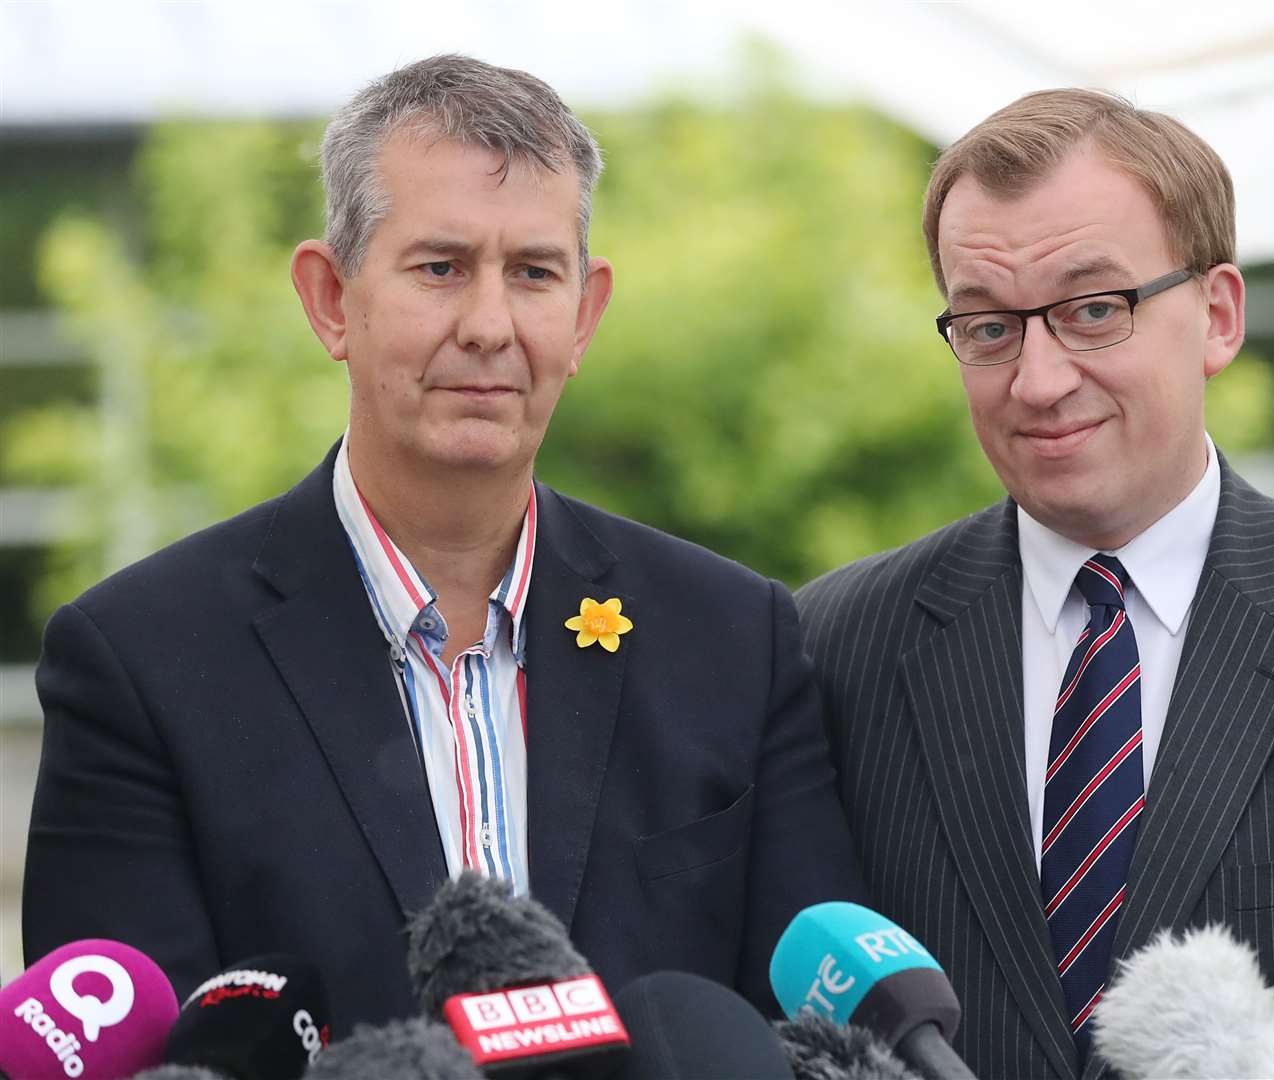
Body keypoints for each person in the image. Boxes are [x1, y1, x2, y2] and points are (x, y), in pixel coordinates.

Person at [23, 54, 865, 1032]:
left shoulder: (733, 640)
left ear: (585, 313)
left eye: (534, 273)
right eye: (441, 268)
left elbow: (822, 1042)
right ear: (331, 300)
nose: (490, 324)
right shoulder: (142, 664)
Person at [797, 89, 1274, 1079]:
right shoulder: (836, 646)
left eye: (1093, 310)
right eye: (989, 327)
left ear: (1217, 316)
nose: (1037, 380)